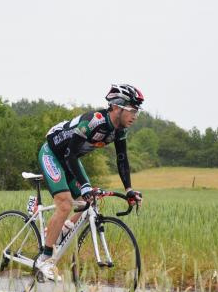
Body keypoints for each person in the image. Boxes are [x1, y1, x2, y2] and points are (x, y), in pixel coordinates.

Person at [35, 84, 145, 281]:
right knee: (65, 204)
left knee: (89, 200)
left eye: (137, 111)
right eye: (132, 110)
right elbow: (69, 155)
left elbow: (122, 159)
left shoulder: (118, 131)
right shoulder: (94, 121)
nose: (135, 115)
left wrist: (128, 189)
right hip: (53, 155)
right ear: (117, 107)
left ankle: (58, 231)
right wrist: (84, 186)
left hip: (71, 159)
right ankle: (45, 259)